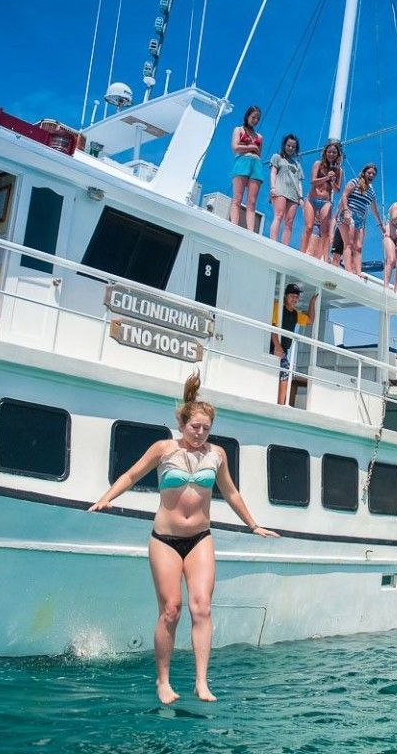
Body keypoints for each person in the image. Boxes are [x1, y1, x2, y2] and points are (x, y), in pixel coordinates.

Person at [88, 372, 279, 705]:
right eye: (195, 427)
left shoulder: (216, 454)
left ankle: (201, 682)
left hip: (200, 538)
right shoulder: (164, 449)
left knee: (201, 608)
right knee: (171, 610)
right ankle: (163, 681)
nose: (201, 433)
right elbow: (132, 474)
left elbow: (230, 492)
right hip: (165, 539)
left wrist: (253, 525)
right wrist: (107, 497)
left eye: (206, 428)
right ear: (182, 423)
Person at [269, 282, 318, 405]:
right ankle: (280, 404)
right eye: (292, 296)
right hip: (273, 348)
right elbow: (272, 326)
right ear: (285, 296)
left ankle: (279, 404)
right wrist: (277, 346)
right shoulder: (277, 307)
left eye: (297, 297)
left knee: (284, 373)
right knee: (285, 371)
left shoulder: (295, 314)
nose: (295, 299)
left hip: (283, 350)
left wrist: (312, 302)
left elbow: (310, 320)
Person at [335, 163, 385, 277]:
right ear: (364, 173)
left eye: (373, 174)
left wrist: (380, 225)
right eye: (369, 173)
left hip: (360, 220)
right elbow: (344, 196)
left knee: (358, 247)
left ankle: (358, 272)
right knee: (349, 243)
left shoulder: (371, 191)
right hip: (348, 215)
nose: (371, 175)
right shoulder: (354, 182)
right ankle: (348, 271)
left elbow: (374, 210)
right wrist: (346, 211)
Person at [302, 141, 343, 259]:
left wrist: (333, 181)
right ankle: (302, 252)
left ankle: (323, 256)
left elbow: (337, 190)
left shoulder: (339, 170)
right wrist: (326, 177)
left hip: (326, 201)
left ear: (337, 155)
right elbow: (312, 181)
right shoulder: (318, 164)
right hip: (312, 198)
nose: (331, 154)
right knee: (309, 227)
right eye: (329, 151)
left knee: (324, 231)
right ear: (325, 152)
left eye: (334, 152)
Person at [229, 105, 264, 230]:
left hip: (256, 165)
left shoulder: (259, 137)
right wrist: (251, 147)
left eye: (257, 119)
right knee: (237, 197)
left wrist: (253, 149)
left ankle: (250, 231)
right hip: (242, 162)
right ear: (248, 116)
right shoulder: (238, 130)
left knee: (252, 201)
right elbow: (235, 147)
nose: (255, 120)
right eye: (253, 117)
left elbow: (259, 153)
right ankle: (233, 225)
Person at [268, 134, 304, 244]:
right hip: (280, 190)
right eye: (288, 145)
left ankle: (284, 246)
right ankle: (273, 242)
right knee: (278, 215)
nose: (290, 148)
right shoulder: (277, 157)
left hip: (294, 195)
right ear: (284, 145)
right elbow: (273, 173)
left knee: (289, 222)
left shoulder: (297, 164)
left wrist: (301, 197)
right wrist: (273, 187)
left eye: (293, 147)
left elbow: (299, 182)